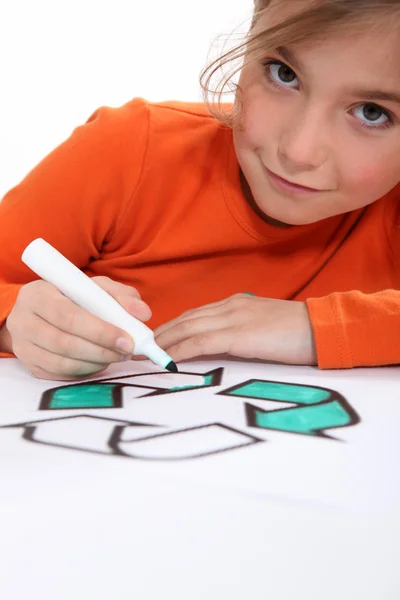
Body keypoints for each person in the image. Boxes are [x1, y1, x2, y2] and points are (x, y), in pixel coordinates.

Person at [0, 0, 399, 381]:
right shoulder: (129, 152)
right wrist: (15, 323)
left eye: (372, 112)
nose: (297, 152)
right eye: (284, 73)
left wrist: (315, 328)